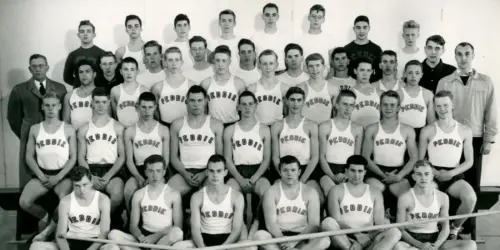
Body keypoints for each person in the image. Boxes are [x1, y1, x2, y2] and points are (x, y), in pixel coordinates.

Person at [436, 42, 497, 194]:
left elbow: (491, 111)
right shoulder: (444, 82)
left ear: (473, 56)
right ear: (455, 56)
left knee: (472, 185)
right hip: (449, 138)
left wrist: (488, 139)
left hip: (475, 137)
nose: (463, 58)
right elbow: (437, 110)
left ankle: (471, 218)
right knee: (449, 184)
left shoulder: (486, 82)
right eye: (459, 54)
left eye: (467, 54)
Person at [418, 90, 476, 239]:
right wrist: (435, 173)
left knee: (470, 198)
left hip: (454, 174)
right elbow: (420, 159)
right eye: (438, 106)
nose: (442, 109)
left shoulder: (464, 130)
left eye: (445, 105)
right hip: (432, 173)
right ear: (434, 108)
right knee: (429, 196)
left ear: (452, 106)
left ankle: (454, 228)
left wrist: (450, 173)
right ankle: (433, 230)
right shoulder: (428, 130)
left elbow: (469, 161)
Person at [8, 54, 67, 188]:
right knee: (28, 170)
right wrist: (25, 134)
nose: (38, 69)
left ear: (47, 67)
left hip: (55, 136)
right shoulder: (19, 89)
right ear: (30, 69)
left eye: (41, 66)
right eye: (34, 66)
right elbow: (13, 118)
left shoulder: (60, 88)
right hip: (30, 133)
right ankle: (28, 204)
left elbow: (63, 115)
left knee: (54, 165)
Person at [19, 91, 76, 229]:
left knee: (64, 202)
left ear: (60, 106)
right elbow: (28, 156)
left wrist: (59, 176)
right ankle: (46, 217)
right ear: (42, 107)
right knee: (24, 202)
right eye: (47, 105)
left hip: (63, 175)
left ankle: (52, 227)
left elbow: (73, 157)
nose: (51, 109)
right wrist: (40, 175)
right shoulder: (35, 129)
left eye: (54, 105)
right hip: (42, 174)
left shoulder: (68, 129)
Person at [321, 155, 402, 250]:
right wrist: (357, 235)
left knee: (395, 232)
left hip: (369, 237)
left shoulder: (375, 192)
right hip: (345, 236)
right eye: (353, 170)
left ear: (365, 172)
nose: (356, 175)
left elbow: (380, 225)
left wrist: (367, 238)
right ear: (346, 171)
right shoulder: (336, 190)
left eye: (360, 171)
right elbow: (336, 221)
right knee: (327, 223)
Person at [393, 160, 477, 250]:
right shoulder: (405, 198)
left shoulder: (442, 197)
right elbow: (400, 229)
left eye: (427, 174)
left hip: (435, 239)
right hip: (413, 241)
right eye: (419, 174)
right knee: (399, 247)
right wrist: (419, 245)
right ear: (413, 177)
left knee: (471, 245)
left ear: (432, 176)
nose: (423, 178)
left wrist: (436, 245)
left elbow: (445, 228)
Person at [104, 155, 184, 250]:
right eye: (151, 171)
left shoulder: (173, 194)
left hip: (163, 239)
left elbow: (178, 225)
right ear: (146, 173)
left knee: (177, 233)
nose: (155, 175)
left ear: (164, 172)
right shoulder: (139, 194)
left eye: (158, 171)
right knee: (113, 234)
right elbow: (133, 227)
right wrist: (141, 237)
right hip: (145, 238)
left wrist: (155, 237)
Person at [252, 155, 330, 250]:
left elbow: (314, 224)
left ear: (299, 172)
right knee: (259, 235)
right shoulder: (271, 192)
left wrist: (294, 242)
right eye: (285, 170)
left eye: (293, 170)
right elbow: (271, 224)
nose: (289, 174)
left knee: (325, 239)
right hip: (279, 237)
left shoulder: (310, 192)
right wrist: (282, 241)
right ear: (280, 172)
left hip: (302, 237)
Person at [172, 155, 248, 248]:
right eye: (212, 171)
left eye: (219, 171)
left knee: (250, 247)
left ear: (225, 172)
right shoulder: (197, 197)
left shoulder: (236, 196)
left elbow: (236, 230)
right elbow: (195, 230)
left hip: (228, 243)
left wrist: (222, 248)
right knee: (178, 247)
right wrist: (203, 248)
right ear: (207, 172)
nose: (215, 175)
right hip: (204, 242)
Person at [167, 85, 224, 196]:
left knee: (210, 197)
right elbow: (173, 157)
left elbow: (220, 156)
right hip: (185, 171)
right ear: (186, 101)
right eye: (192, 100)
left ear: (206, 101)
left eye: (199, 100)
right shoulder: (177, 124)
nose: (196, 104)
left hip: (209, 172)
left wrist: (205, 173)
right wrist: (184, 173)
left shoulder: (216, 124)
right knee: (167, 195)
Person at [77, 87, 125, 216]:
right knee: (80, 195)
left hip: (112, 169)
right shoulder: (84, 128)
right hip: (90, 169)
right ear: (91, 103)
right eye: (97, 102)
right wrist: (90, 176)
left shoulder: (118, 127)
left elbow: (122, 157)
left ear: (109, 102)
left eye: (104, 102)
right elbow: (81, 157)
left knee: (117, 194)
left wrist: (108, 177)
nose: (100, 105)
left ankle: (104, 221)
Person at [362, 90, 417, 199]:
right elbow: (366, 158)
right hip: (376, 172)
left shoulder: (407, 130)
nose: (388, 108)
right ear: (380, 106)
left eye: (392, 105)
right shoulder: (372, 129)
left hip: (399, 172)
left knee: (407, 199)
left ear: (398, 108)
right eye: (385, 104)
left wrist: (399, 176)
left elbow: (414, 159)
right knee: (371, 195)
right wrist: (383, 175)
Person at [271, 87, 322, 202]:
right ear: (286, 101)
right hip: (284, 169)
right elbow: (275, 157)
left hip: (305, 170)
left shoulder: (311, 125)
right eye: (292, 100)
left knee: (318, 198)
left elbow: (315, 157)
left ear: (303, 102)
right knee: (272, 195)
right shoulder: (277, 125)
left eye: (299, 100)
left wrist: (302, 180)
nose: (296, 104)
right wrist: (284, 175)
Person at [123, 92, 169, 212]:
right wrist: (138, 177)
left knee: (157, 191)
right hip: (139, 169)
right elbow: (129, 161)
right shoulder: (130, 130)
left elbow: (166, 159)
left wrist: (158, 174)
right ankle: (130, 219)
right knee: (129, 189)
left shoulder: (163, 129)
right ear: (137, 107)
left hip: (158, 170)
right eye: (143, 107)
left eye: (150, 107)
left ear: (155, 107)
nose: (147, 111)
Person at [224, 91, 271, 199]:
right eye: (244, 104)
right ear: (238, 107)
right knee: (229, 194)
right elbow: (227, 159)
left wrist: (254, 178)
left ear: (256, 106)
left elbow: (266, 159)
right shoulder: (230, 130)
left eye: (250, 104)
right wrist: (240, 179)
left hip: (258, 172)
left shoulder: (264, 129)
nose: (247, 107)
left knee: (267, 193)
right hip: (237, 172)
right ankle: (240, 215)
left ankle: (258, 216)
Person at [318, 90, 363, 195]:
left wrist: (348, 173)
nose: (348, 108)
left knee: (349, 194)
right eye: (345, 104)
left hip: (348, 169)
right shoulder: (325, 126)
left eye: (351, 105)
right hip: (327, 169)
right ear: (337, 105)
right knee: (331, 190)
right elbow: (322, 156)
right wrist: (332, 176)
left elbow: (356, 157)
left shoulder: (358, 128)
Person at [57, 166, 111, 250]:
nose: (82, 190)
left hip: (95, 242)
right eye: (77, 186)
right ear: (72, 184)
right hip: (72, 241)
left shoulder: (103, 199)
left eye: (85, 184)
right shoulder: (65, 202)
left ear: (91, 182)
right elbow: (60, 235)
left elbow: (104, 233)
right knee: (37, 246)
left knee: (113, 248)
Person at [201, 45, 246, 126]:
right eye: (217, 60)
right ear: (214, 61)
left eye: (224, 61)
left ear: (229, 62)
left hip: (233, 125)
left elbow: (244, 109)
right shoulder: (206, 83)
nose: (220, 64)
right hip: (212, 126)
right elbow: (202, 109)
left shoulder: (239, 83)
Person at [151, 47, 196, 127]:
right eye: (170, 60)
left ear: (181, 62)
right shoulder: (157, 87)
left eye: (177, 60)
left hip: (186, 127)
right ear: (165, 63)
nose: (174, 63)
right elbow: (154, 110)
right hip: (165, 126)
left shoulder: (191, 85)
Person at [247, 49, 289, 126]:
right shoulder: (252, 88)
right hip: (258, 129)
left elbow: (288, 115)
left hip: (277, 129)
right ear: (259, 65)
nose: (268, 67)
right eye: (264, 64)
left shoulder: (284, 88)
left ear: (276, 65)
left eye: (271, 63)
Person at [295, 4, 336, 76]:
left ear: (323, 20)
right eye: (313, 16)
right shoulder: (299, 40)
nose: (316, 20)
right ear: (309, 18)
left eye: (319, 17)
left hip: (324, 79)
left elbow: (333, 65)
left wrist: (329, 79)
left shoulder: (329, 39)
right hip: (305, 79)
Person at [63, 20, 106, 87]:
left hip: (97, 92)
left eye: (88, 31)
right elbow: (67, 77)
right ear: (78, 35)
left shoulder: (102, 53)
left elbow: (106, 74)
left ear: (94, 35)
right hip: (79, 92)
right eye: (82, 31)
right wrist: (80, 85)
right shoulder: (73, 55)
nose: (85, 34)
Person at [399, 60, 435, 138]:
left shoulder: (428, 94)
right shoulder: (398, 94)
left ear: (421, 75)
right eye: (410, 72)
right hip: (401, 133)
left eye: (417, 73)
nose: (413, 76)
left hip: (420, 134)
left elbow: (431, 123)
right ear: (405, 74)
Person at [298, 53, 337, 124]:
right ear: (306, 68)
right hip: (306, 130)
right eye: (311, 66)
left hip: (325, 130)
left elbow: (336, 114)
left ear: (324, 67)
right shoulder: (300, 88)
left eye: (317, 65)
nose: (314, 69)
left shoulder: (332, 88)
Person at [110, 57, 148, 127]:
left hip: (139, 129)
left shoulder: (144, 90)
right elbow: (114, 115)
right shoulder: (115, 90)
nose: (129, 73)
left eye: (132, 69)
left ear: (137, 71)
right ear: (121, 71)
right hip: (121, 129)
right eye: (126, 69)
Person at [251, 3, 289, 71]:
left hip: (282, 73)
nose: (270, 18)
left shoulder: (286, 37)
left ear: (277, 17)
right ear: (263, 17)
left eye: (273, 15)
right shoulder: (255, 38)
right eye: (267, 15)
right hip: (262, 74)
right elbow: (252, 60)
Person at [345, 15, 383, 83]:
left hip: (371, 86)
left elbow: (380, 73)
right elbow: (345, 72)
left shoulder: (376, 49)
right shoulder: (347, 49)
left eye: (364, 27)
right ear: (354, 29)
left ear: (369, 28)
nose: (361, 31)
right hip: (352, 87)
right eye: (358, 28)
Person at [63, 59, 96, 129]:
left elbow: (106, 120)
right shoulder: (69, 96)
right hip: (75, 136)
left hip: (95, 136)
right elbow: (66, 122)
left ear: (94, 74)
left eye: (87, 71)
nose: (84, 75)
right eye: (81, 72)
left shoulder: (101, 94)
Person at [349, 57, 381, 127]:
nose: (365, 74)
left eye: (368, 70)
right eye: (362, 70)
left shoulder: (379, 93)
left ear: (372, 71)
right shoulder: (350, 94)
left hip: (374, 134)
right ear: (355, 71)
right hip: (356, 134)